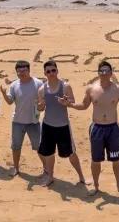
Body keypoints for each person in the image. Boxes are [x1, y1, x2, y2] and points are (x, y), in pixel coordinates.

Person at [60, 60, 119, 195]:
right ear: (98, 73)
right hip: (97, 128)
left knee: (116, 159)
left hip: (113, 128)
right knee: (96, 160)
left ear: (111, 73)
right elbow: (84, 105)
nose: (104, 73)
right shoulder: (91, 89)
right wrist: (70, 105)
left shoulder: (118, 89)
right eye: (101, 71)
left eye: (106, 71)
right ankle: (96, 186)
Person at [36, 60, 87, 188]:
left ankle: (81, 176)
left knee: (71, 153)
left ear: (57, 71)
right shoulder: (42, 89)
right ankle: (50, 177)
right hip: (48, 125)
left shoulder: (65, 86)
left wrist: (66, 102)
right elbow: (40, 108)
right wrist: (41, 106)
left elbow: (73, 101)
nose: (51, 73)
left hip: (63, 125)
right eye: (48, 71)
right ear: (45, 73)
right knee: (48, 153)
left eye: (53, 70)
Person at [0, 60, 43, 176]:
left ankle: (46, 169)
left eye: (24, 70)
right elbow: (10, 101)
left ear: (29, 70)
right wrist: (4, 94)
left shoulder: (38, 84)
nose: (22, 73)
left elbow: (42, 102)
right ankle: (16, 168)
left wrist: (41, 106)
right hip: (18, 121)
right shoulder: (14, 85)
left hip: (33, 121)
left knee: (39, 146)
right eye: (19, 71)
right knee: (16, 146)